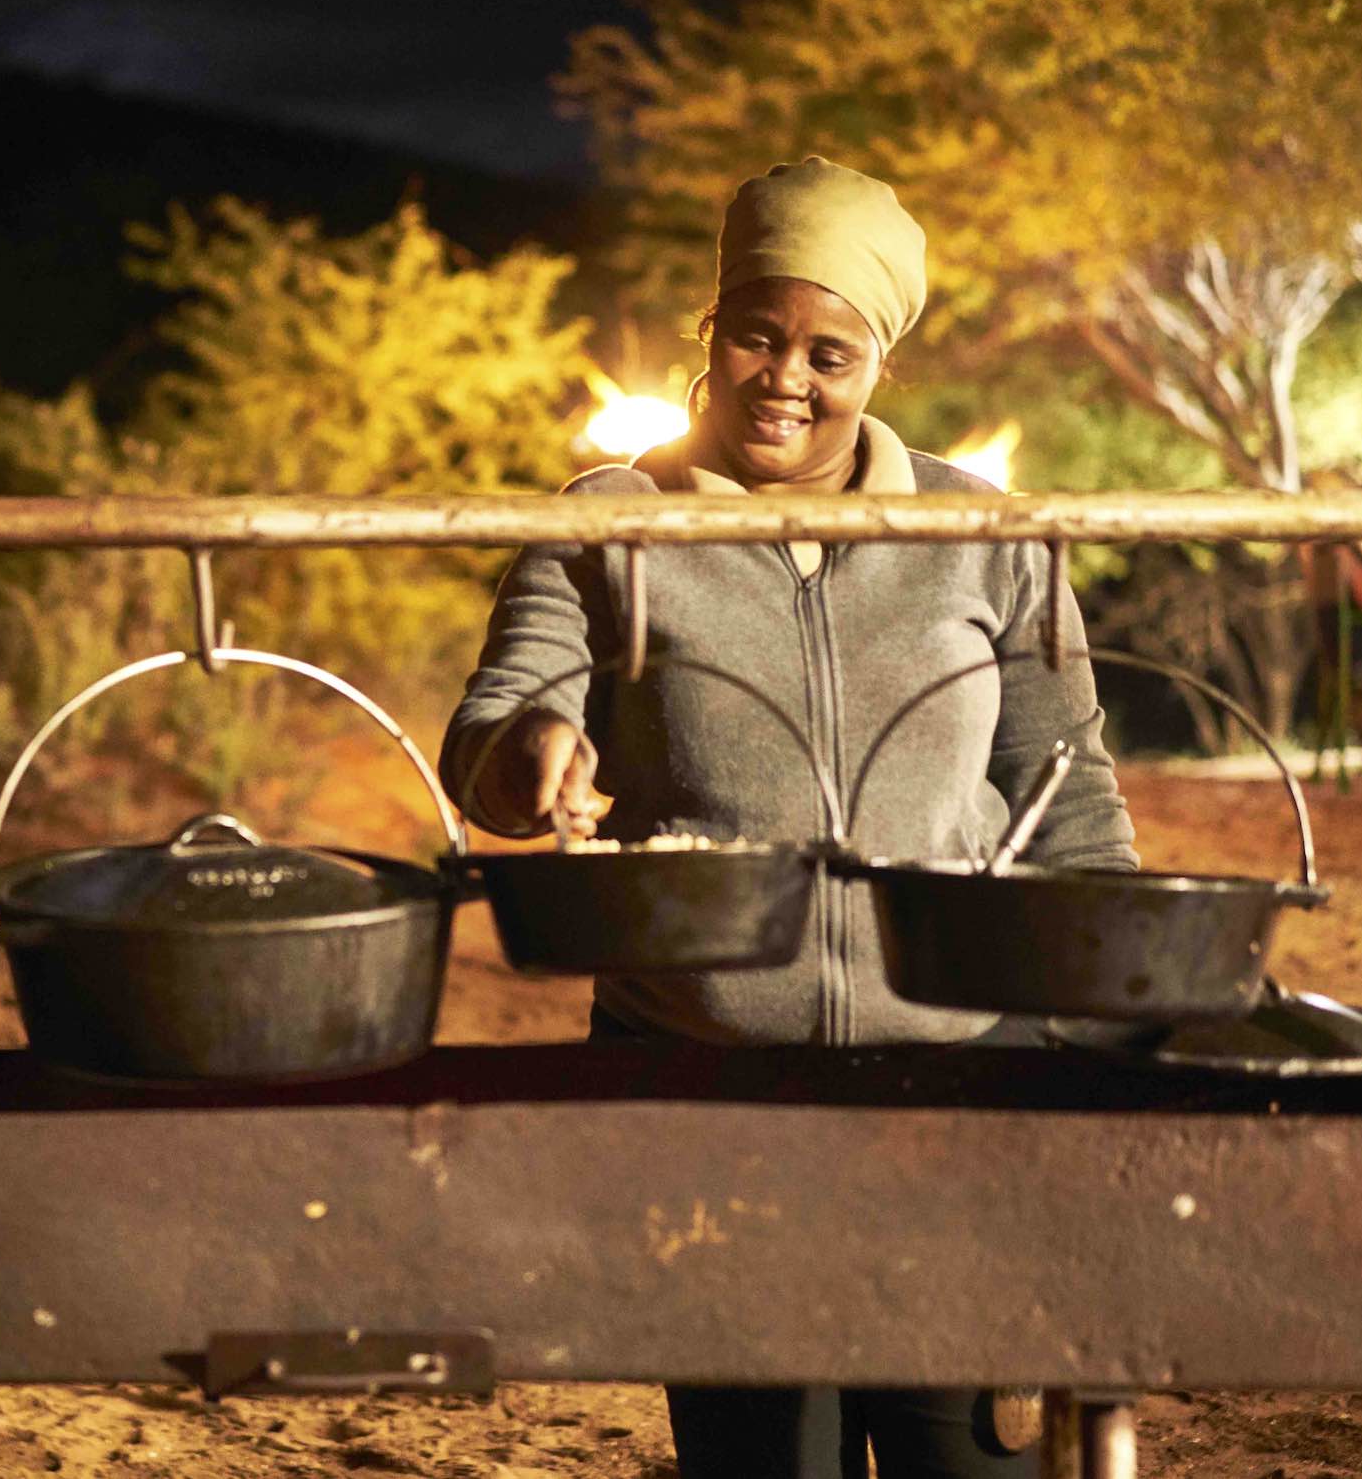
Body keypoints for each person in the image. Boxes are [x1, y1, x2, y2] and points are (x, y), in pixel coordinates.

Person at [439, 158, 1140, 1479]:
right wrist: (530, 751)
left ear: (880, 363)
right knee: (765, 1458)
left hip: (961, 1079)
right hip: (708, 1090)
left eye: (832, 350)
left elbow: (1069, 787)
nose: (787, 376)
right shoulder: (609, 521)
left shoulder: (984, 534)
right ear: (711, 330)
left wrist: (1118, 1035)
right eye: (759, 333)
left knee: (968, 1456)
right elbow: (496, 720)